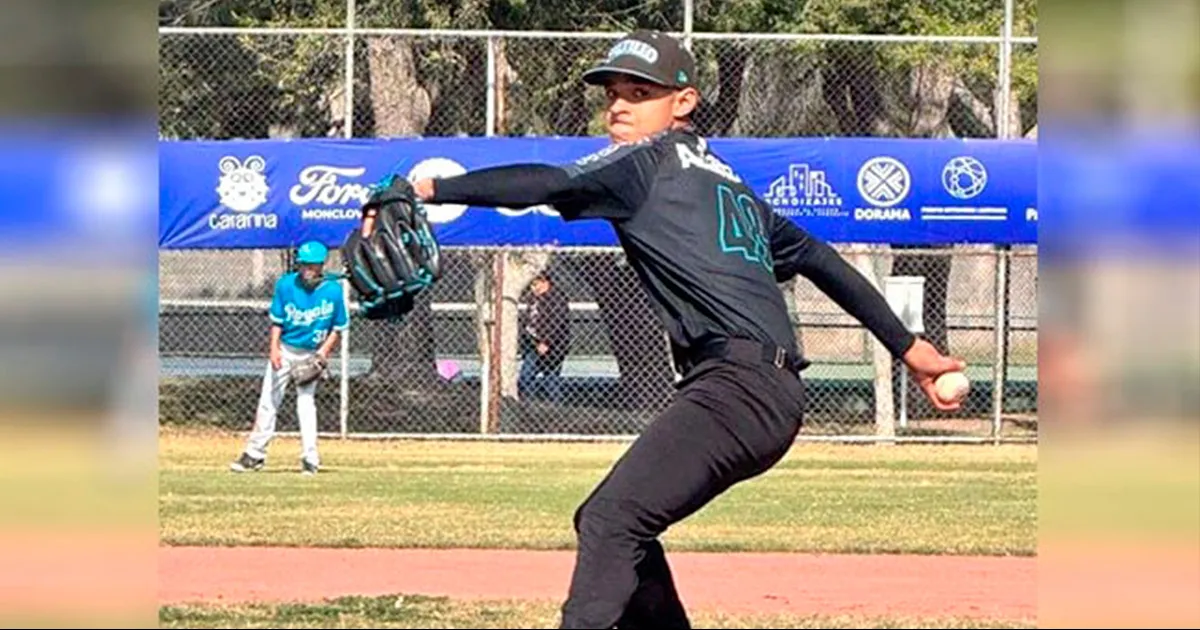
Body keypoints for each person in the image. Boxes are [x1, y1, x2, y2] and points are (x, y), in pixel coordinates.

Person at [411, 29, 966, 630]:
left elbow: (548, 183)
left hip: (739, 387)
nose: (619, 105)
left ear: (683, 102)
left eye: (640, 91)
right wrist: (909, 349)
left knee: (612, 520)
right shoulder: (730, 185)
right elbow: (821, 259)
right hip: (758, 389)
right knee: (615, 521)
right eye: (613, 92)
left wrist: (431, 188)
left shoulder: (645, 161)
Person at [230, 240, 349, 476]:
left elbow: (338, 327)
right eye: (304, 264)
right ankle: (255, 455)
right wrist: (273, 349)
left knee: (306, 404)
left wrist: (322, 355)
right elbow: (278, 321)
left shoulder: (333, 290)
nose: (307, 269)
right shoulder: (286, 285)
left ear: (321, 266)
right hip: (285, 349)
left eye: (312, 265)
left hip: (311, 354)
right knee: (268, 402)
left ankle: (310, 458)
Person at [519, 271, 572, 402]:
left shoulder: (556, 298)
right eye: (531, 285)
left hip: (552, 347)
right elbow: (528, 320)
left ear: (545, 282)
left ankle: (555, 408)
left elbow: (558, 323)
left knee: (548, 379)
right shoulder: (533, 298)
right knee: (528, 376)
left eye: (536, 284)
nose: (533, 288)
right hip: (533, 343)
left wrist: (546, 341)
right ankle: (530, 406)